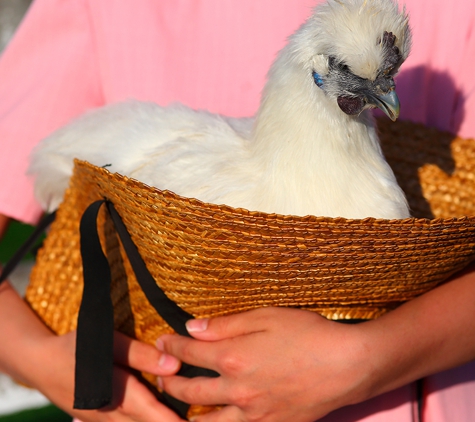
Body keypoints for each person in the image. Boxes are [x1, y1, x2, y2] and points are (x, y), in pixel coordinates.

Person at [0, 1, 474, 421]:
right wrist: (35, 357)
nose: (389, 94)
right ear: (317, 67)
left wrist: (368, 359)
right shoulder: (103, 8)